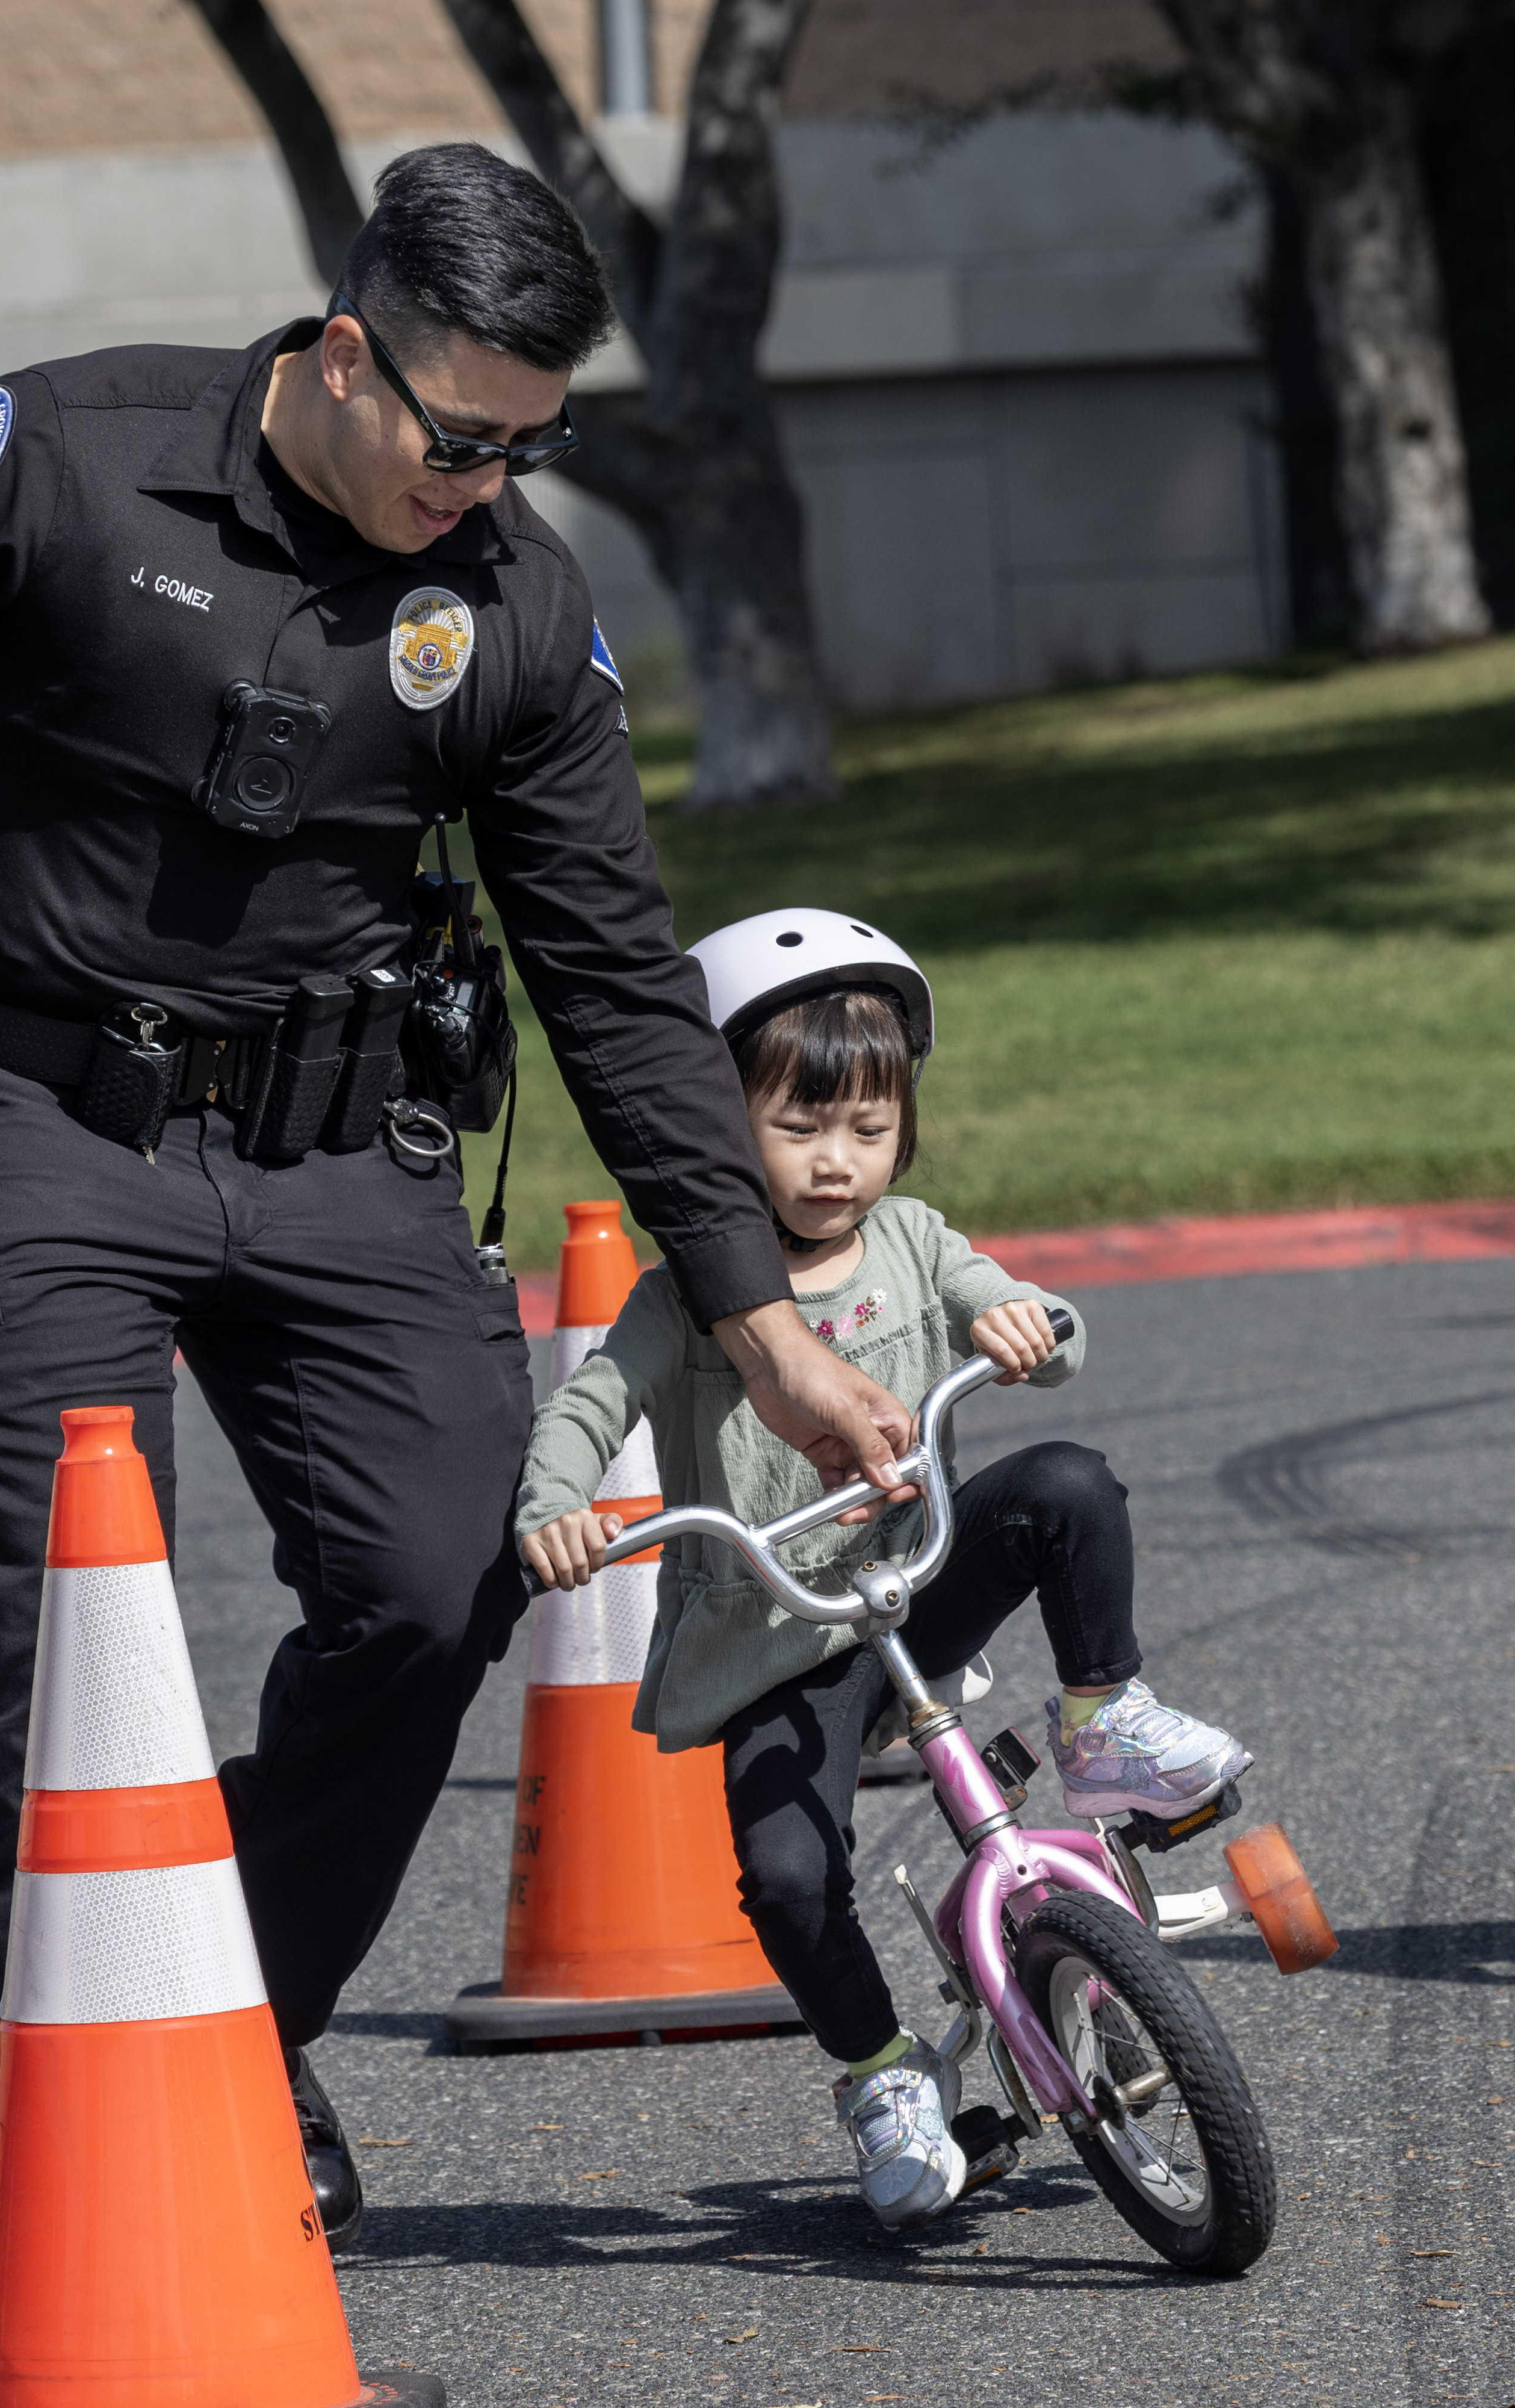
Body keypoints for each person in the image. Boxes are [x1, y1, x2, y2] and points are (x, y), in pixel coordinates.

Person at [0, 146, 926, 2248]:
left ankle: (219, 2030)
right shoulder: (51, 460)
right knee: (73, 1638)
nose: (485, 481)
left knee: (448, 1575)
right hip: (30, 1118)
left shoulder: (518, 604)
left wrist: (764, 1325)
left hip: (336, 1147)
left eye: (531, 442)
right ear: (347, 350)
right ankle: (110, 2167)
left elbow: (614, 987)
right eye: (458, 434)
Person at [516, 907, 1252, 2232]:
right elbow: (590, 1405)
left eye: (867, 1126)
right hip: (778, 1629)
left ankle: (1102, 1721)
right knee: (788, 1875)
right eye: (797, 1126)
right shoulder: (687, 1290)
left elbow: (1038, 1320)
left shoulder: (914, 1237)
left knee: (1068, 1481)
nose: (835, 1160)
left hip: (914, 1576)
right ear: (713, 1122)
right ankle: (878, 2074)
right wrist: (557, 1501)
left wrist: (1033, 1322)